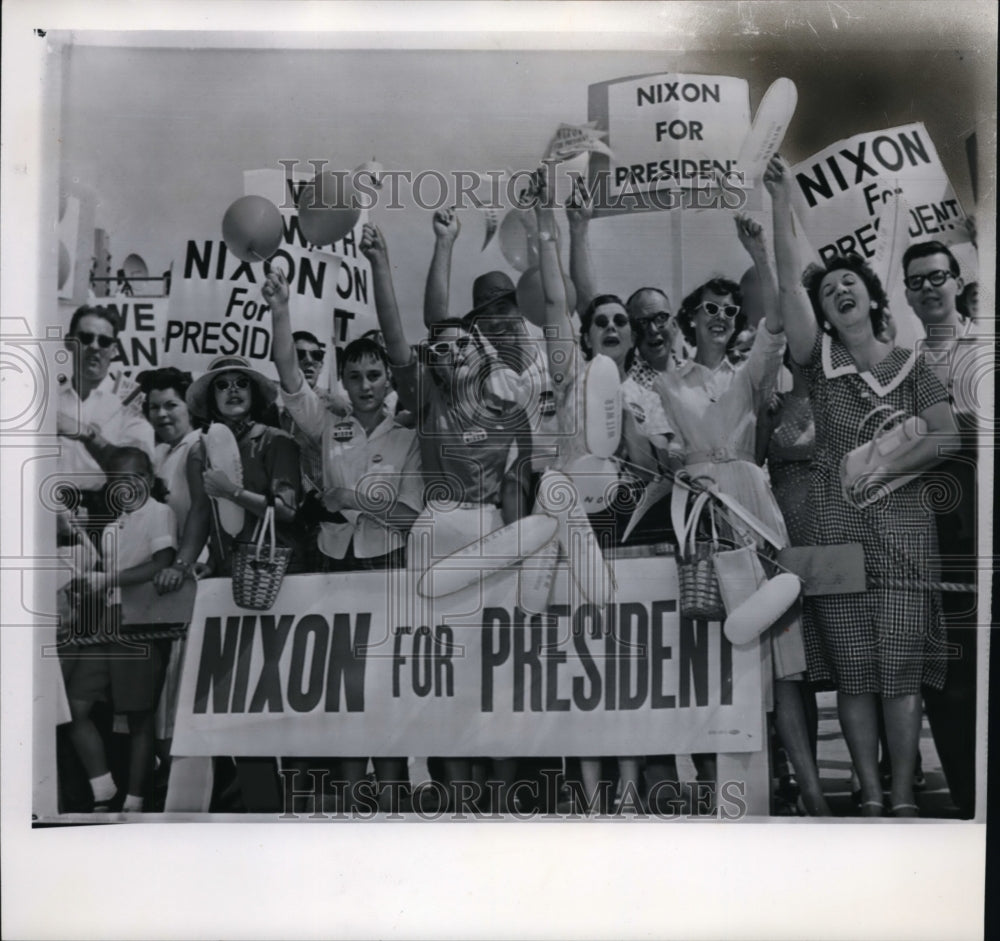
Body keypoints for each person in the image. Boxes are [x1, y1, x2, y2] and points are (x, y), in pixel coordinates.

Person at [766, 154, 959, 817]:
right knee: (854, 671)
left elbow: (948, 436)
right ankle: (870, 794)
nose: (838, 290)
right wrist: (780, 199)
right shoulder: (817, 363)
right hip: (835, 534)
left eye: (850, 281)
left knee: (900, 672)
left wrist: (878, 467)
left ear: (874, 297)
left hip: (906, 531)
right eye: (829, 289)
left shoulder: (912, 364)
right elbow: (791, 283)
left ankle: (903, 793)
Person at [653, 212, 829, 815]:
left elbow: (776, 323)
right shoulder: (665, 384)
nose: (724, 317)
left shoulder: (751, 371)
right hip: (700, 515)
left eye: (732, 310)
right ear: (690, 320)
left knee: (781, 663)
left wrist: (757, 251)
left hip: (753, 510)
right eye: (712, 309)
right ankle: (725, 793)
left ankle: (808, 790)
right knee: (715, 656)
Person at [362, 219, 533, 812]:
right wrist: (384, 261)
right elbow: (397, 328)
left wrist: (517, 556)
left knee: (498, 670)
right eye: (444, 345)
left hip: (493, 533)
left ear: (480, 351)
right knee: (442, 667)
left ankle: (502, 794)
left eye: (464, 341)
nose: (452, 348)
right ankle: (459, 794)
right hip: (435, 532)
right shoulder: (426, 396)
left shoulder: (510, 410)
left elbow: (514, 492)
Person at [264, 267, 422, 812]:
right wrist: (280, 307)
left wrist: (352, 500)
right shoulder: (330, 423)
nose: (364, 385)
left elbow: (410, 518)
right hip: (336, 564)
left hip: (387, 568)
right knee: (346, 689)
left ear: (387, 378)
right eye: (353, 375)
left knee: (387, 690)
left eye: (373, 374)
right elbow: (289, 376)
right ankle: (357, 806)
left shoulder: (408, 437)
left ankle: (395, 800)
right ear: (344, 380)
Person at [902, 239, 980, 817]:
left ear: (956, 281)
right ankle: (965, 796)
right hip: (932, 534)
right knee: (947, 673)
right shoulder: (904, 367)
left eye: (937, 277)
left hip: (986, 526)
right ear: (906, 294)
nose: (928, 288)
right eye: (917, 281)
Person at [61, 447, 177, 812]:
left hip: (141, 622)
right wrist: (87, 587)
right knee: (75, 707)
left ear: (145, 479)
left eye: (129, 481)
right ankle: (104, 790)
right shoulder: (113, 526)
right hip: (107, 624)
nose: (121, 490)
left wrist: (105, 579)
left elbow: (161, 565)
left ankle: (135, 803)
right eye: (114, 484)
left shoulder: (160, 513)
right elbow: (105, 581)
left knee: (139, 716)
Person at [56, 305, 155, 537]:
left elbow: (137, 474)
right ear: (69, 342)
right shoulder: (50, 401)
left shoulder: (130, 402)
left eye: (104, 341)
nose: (94, 347)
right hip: (50, 513)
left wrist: (87, 434)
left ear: (113, 350)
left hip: (107, 519)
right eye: (86, 338)